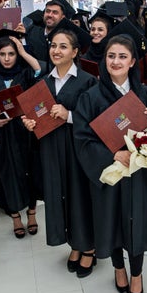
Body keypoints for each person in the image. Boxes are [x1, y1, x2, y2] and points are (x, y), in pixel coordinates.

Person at [74, 35, 147, 293]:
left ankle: (136, 273)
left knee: (137, 222)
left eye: (122, 56)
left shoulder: (145, 94)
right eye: (111, 56)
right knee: (111, 221)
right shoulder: (90, 96)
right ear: (104, 60)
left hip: (139, 174)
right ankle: (119, 269)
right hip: (111, 172)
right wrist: (113, 153)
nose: (116, 61)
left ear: (132, 62)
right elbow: (82, 138)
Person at [22, 27, 98, 276]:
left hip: (77, 150)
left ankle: (88, 247)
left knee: (80, 196)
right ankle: (74, 244)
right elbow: (37, 117)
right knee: (60, 195)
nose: (56, 50)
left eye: (63, 46)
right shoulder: (43, 82)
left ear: (75, 52)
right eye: (53, 45)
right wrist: (31, 124)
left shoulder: (88, 81)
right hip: (51, 149)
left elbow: (97, 120)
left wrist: (69, 116)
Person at [0, 31, 43, 239]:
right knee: (6, 174)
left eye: (12, 54)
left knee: (30, 172)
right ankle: (15, 217)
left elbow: (40, 70)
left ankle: (31, 214)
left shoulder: (24, 75)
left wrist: (23, 51)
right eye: (3, 54)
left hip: (25, 131)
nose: (7, 58)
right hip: (2, 135)